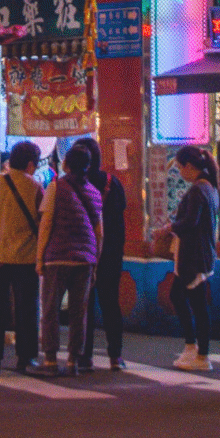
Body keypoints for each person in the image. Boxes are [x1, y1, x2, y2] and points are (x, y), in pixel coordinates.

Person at [33, 143, 102, 376]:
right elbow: (99, 232)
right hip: (85, 259)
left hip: (58, 257)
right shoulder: (94, 192)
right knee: (78, 313)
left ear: (65, 164)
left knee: (50, 310)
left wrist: (39, 258)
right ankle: (74, 360)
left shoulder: (56, 187)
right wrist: (95, 262)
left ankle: (51, 360)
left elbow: (46, 223)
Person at [0, 141, 43, 371]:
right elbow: (41, 221)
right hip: (22, 255)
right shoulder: (34, 187)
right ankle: (26, 357)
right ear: (29, 164)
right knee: (26, 308)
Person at [156, 146, 219, 372]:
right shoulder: (210, 188)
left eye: (180, 167)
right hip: (202, 254)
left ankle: (198, 352)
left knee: (191, 301)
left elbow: (190, 222)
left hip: (193, 256)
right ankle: (195, 350)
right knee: (194, 302)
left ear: (189, 167)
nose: (180, 172)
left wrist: (168, 229)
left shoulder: (197, 191)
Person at [71, 136, 126, 372]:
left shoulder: (71, 184)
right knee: (110, 303)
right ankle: (115, 356)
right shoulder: (113, 183)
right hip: (110, 253)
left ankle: (84, 356)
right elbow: (121, 215)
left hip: (82, 251)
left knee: (84, 305)